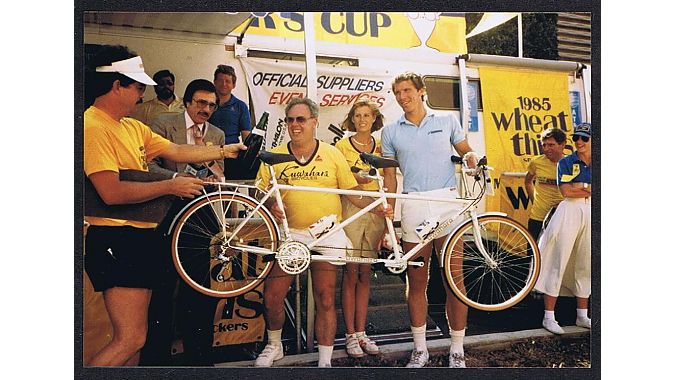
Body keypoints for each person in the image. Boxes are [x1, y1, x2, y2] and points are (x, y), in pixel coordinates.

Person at [83, 45, 245, 366]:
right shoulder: (93, 126)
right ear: (117, 85)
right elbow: (110, 192)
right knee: (131, 338)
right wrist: (171, 185)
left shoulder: (130, 125)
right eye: (138, 86)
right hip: (117, 239)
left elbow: (177, 151)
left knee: (134, 341)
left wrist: (226, 151)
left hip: (138, 239)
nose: (142, 94)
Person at [252, 97, 391, 368]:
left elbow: (351, 191)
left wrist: (377, 208)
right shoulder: (276, 155)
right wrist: (270, 204)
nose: (295, 125)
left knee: (326, 297)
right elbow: (260, 190)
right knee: (272, 296)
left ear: (314, 123)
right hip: (291, 233)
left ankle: (324, 361)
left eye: (301, 120)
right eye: (290, 120)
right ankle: (274, 345)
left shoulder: (332, 153)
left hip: (328, 233)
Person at [381, 72, 478, 368]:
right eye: (397, 92)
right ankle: (420, 349)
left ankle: (457, 349)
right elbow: (389, 178)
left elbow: (465, 151)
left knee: (454, 279)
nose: (402, 96)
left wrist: (473, 157)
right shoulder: (390, 131)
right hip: (413, 205)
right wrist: (390, 211)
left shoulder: (447, 121)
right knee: (416, 280)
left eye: (407, 90)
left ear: (421, 91)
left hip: (447, 203)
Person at [140, 79, 226, 366]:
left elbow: (220, 172)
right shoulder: (163, 123)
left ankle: (199, 357)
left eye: (212, 105)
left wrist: (215, 178)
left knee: (200, 289)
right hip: (166, 213)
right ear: (187, 102)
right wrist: (175, 180)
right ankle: (157, 360)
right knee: (162, 289)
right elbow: (148, 164)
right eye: (201, 103)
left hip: (201, 218)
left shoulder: (217, 133)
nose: (206, 109)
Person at [334, 100, 385, 358]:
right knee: (350, 273)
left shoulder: (382, 145)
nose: (362, 120)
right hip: (354, 210)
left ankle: (362, 332)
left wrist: (386, 218)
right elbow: (344, 183)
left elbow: (389, 181)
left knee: (366, 274)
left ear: (374, 118)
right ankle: (350, 335)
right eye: (357, 115)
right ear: (351, 119)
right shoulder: (342, 146)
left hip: (376, 214)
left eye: (367, 115)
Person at [533, 122, 592, 335]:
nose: (579, 141)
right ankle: (549, 316)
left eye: (584, 138)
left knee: (586, 262)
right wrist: (589, 189)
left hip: (591, 212)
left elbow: (578, 189)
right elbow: (567, 191)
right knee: (557, 260)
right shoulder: (567, 162)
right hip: (569, 211)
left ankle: (582, 315)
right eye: (577, 137)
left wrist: (583, 188)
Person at [209, 64, 252, 178]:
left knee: (229, 190)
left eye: (228, 81)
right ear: (214, 82)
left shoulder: (240, 106)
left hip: (230, 155)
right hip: (207, 154)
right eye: (220, 80)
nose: (223, 84)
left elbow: (246, 136)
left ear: (234, 85)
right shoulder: (207, 104)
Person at [524, 128, 567, 240]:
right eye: (544, 145)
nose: (547, 149)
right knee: (534, 254)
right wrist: (534, 201)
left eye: (551, 145)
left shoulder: (571, 164)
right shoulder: (536, 162)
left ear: (562, 144)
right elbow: (528, 181)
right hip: (537, 217)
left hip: (561, 217)